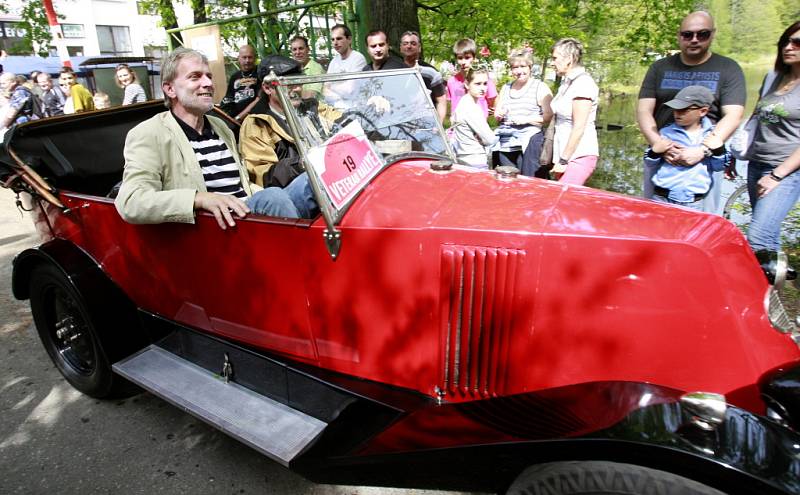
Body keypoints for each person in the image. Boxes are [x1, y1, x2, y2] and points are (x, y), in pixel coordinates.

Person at [115, 48, 313, 230]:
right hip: (217, 229)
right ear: (170, 89)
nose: (208, 83)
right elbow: (130, 201)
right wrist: (198, 199)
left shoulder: (219, 126)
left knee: (313, 179)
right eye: (195, 77)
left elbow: (242, 184)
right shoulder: (149, 133)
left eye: (208, 76)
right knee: (274, 197)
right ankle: (310, 262)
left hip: (247, 213)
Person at [637, 11, 745, 213]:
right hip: (663, 154)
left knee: (701, 220)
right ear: (679, 36)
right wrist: (658, 144)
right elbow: (644, 110)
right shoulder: (660, 67)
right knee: (652, 213)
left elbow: (734, 115)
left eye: (702, 34)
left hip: (704, 159)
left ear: (712, 34)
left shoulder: (728, 68)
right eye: (688, 34)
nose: (694, 40)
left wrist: (703, 150)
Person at [239, 55, 333, 220]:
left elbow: (341, 120)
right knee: (313, 179)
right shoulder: (257, 122)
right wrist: (301, 164)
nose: (296, 89)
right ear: (268, 88)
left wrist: (369, 111)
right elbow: (262, 176)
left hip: (329, 175)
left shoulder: (312, 107)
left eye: (298, 82)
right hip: (292, 192)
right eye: (288, 84)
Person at [742, 21, 800, 253]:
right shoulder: (773, 78)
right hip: (756, 163)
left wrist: (776, 176)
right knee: (767, 236)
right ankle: (772, 286)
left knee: (758, 236)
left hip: (785, 171)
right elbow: (756, 116)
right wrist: (739, 152)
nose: (788, 47)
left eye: (797, 42)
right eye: (785, 41)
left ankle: (754, 288)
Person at [644, 85, 726, 211]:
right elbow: (649, 163)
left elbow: (719, 167)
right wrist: (655, 151)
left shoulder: (712, 136)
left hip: (693, 202)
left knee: (688, 230)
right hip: (662, 197)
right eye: (675, 109)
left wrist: (718, 150)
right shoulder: (666, 132)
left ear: (703, 111)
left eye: (684, 110)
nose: (677, 114)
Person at [492, 50, 553, 176]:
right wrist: (499, 113)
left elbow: (548, 116)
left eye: (523, 66)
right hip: (506, 142)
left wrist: (526, 119)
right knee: (507, 179)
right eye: (515, 67)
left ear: (530, 67)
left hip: (529, 143)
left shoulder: (540, 87)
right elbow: (497, 112)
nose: (519, 71)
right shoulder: (506, 88)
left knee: (526, 180)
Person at [549, 38, 599, 185]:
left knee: (564, 199)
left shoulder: (583, 84)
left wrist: (564, 160)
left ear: (569, 59)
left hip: (579, 155)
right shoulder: (567, 82)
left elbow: (579, 127)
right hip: (564, 153)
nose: (552, 63)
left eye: (555, 58)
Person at [451, 66, 498, 169]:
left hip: (464, 157)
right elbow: (490, 139)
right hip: (474, 159)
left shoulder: (465, 102)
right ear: (467, 84)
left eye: (485, 83)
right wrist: (491, 138)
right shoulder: (470, 107)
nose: (482, 88)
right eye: (477, 84)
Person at [399, 30, 447, 122]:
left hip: (427, 124)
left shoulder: (431, 72)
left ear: (419, 47)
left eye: (413, 43)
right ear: (400, 48)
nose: (409, 46)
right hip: (402, 125)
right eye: (405, 44)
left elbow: (441, 101)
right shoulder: (394, 71)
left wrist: (439, 124)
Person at [446, 38, 497, 120]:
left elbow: (493, 98)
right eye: (460, 58)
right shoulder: (451, 81)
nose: (463, 62)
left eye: (467, 58)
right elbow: (449, 103)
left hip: (479, 122)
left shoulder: (484, 79)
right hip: (459, 124)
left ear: (474, 57)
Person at [219, 45, 259, 123]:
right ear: (239, 59)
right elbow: (229, 98)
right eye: (244, 57)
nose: (247, 61)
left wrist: (239, 118)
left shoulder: (259, 73)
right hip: (235, 118)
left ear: (254, 58)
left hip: (254, 117)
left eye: (250, 57)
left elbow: (259, 99)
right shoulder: (234, 77)